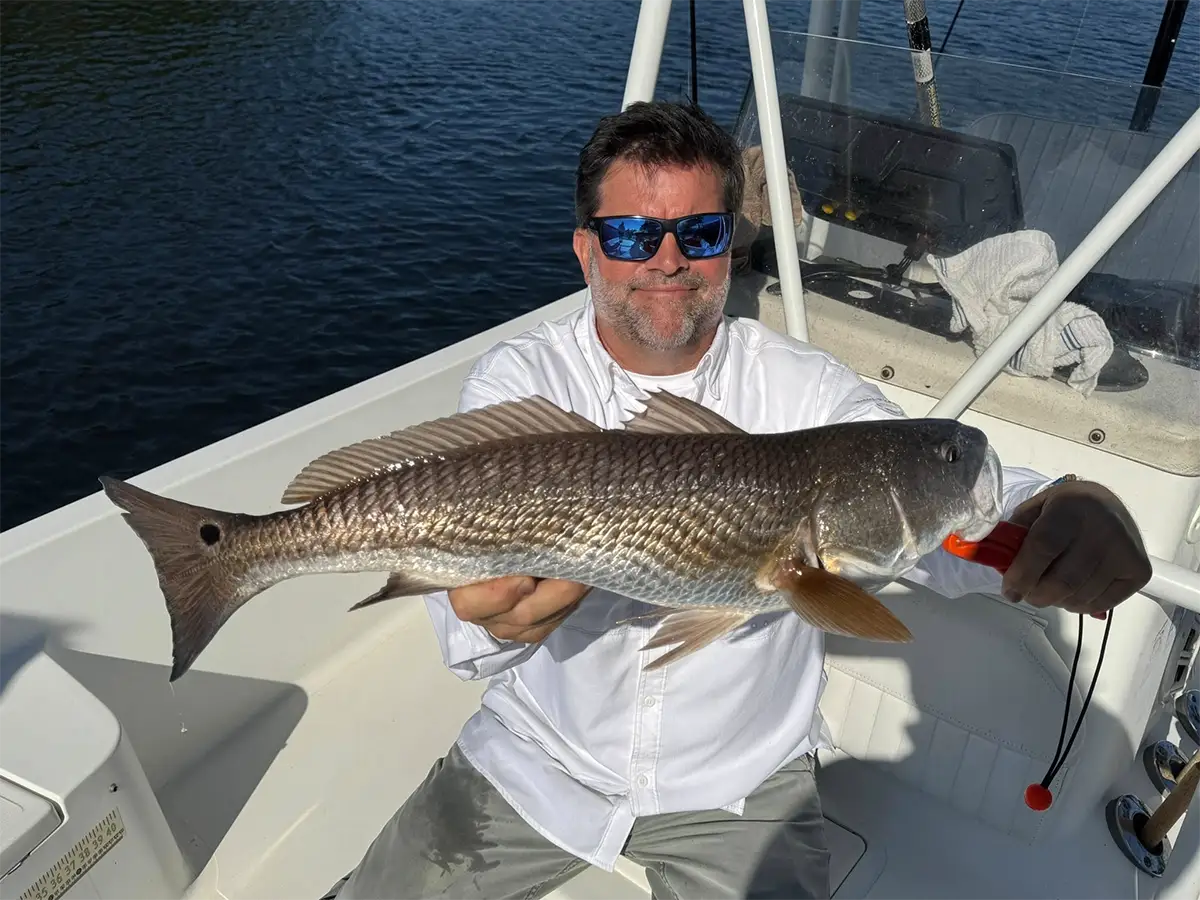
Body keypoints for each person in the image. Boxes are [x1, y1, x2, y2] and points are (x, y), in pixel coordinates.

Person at [322, 101, 1152, 900]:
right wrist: (492, 624)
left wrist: (1070, 505)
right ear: (585, 250)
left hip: (738, 781)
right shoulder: (521, 382)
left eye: (700, 232)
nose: (667, 258)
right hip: (539, 759)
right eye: (632, 234)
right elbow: (465, 614)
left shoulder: (804, 391)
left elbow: (929, 500)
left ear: (730, 242)